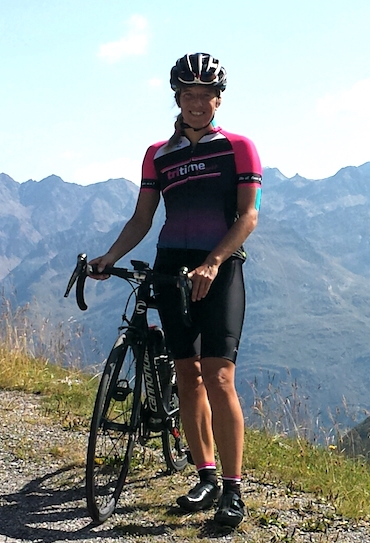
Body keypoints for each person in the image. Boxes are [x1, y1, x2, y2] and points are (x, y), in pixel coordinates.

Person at [89, 52, 261, 527]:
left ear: (218, 100)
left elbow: (248, 216)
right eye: (189, 95)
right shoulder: (157, 155)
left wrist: (212, 262)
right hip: (170, 268)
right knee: (187, 374)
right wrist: (110, 257)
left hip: (219, 268)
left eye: (206, 95)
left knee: (219, 376)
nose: (198, 103)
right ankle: (204, 472)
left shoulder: (239, 148)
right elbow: (143, 218)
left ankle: (232, 490)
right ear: (178, 99)